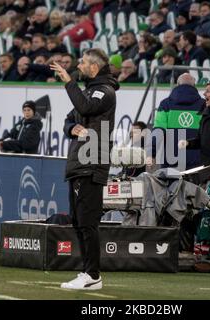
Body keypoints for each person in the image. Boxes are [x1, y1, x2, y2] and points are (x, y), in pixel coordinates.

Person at [50, 48, 119, 290]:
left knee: (88, 221)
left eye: (82, 62)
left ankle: (93, 275)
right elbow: (70, 117)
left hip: (92, 161)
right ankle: (87, 272)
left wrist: (69, 83)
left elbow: (86, 107)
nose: (78, 65)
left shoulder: (104, 91)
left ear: (94, 66)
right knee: (79, 221)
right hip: (80, 163)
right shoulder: (89, 90)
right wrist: (72, 128)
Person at [153, 73, 205, 170]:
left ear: (177, 85)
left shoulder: (165, 104)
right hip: (196, 159)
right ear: (194, 86)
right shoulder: (203, 105)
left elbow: (158, 131)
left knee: (169, 185)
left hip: (171, 158)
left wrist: (152, 153)